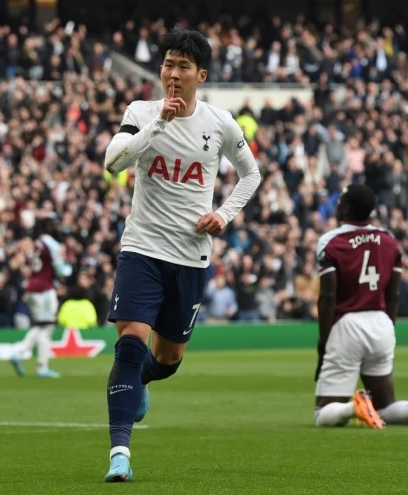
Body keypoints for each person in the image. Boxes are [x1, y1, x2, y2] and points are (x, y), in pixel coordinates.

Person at [101, 28, 261, 482]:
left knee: (167, 359)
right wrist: (159, 124)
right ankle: (120, 453)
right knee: (130, 343)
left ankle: (144, 383)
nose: (173, 73)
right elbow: (113, 162)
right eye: (168, 64)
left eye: (183, 66)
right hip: (142, 249)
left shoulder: (220, 123)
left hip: (190, 257)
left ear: (200, 75)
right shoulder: (141, 112)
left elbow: (251, 175)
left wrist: (224, 214)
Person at [314, 184, 408, 429]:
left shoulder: (330, 241)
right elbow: (393, 294)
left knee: (323, 414)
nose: (338, 205)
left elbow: (328, 296)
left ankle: (355, 406)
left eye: (341, 201)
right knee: (385, 407)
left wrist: (324, 341)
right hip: (381, 323)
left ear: (348, 208)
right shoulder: (389, 241)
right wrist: (388, 328)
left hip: (347, 324)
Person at [9, 215, 71, 378]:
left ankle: (18, 352)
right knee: (47, 327)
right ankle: (42, 366)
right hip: (44, 289)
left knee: (40, 325)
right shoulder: (51, 244)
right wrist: (68, 269)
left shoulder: (36, 243)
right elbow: (60, 270)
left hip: (32, 287)